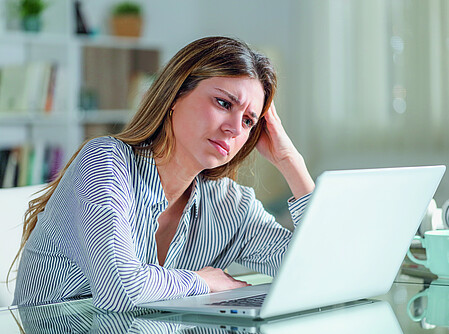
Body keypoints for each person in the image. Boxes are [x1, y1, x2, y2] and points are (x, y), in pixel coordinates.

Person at [11, 36, 315, 312]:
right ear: (173, 97)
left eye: (249, 121)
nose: (235, 129)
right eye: (224, 103)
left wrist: (290, 161)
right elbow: (119, 291)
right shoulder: (106, 163)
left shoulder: (228, 205)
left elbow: (318, 271)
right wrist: (203, 281)